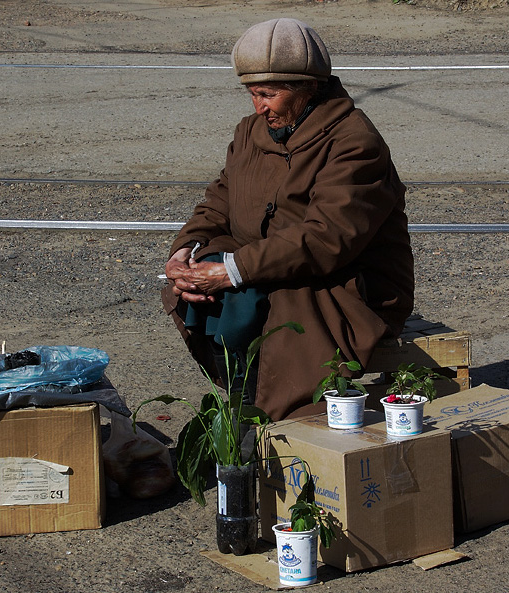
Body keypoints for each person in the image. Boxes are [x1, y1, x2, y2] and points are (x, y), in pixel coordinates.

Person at [162, 18, 414, 421]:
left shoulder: (354, 142)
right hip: (274, 264)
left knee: (261, 294)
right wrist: (184, 251)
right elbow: (218, 200)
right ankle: (243, 388)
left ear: (308, 88)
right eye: (252, 93)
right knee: (195, 279)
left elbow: (326, 239)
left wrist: (232, 270)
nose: (258, 106)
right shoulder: (251, 132)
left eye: (268, 94)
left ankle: (268, 413)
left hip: (350, 284)